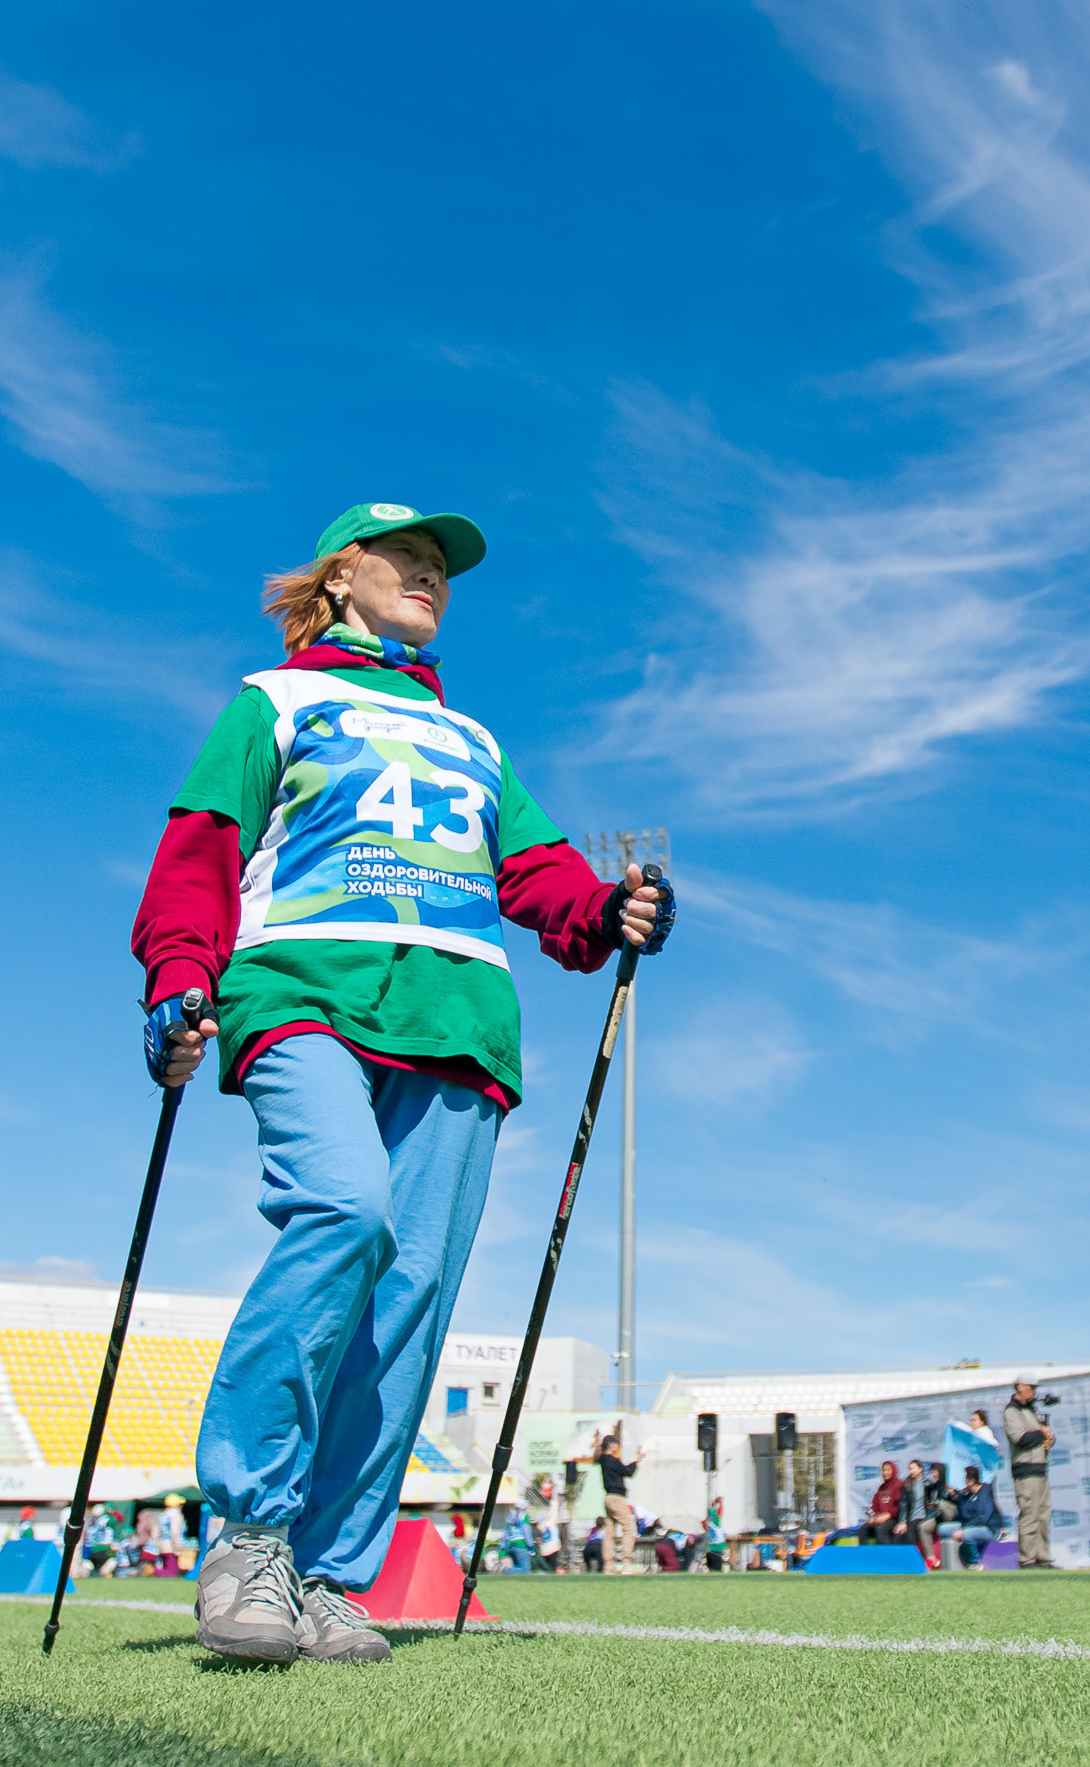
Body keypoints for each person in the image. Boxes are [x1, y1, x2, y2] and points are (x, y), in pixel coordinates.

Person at [131, 501, 674, 1664]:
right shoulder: (272, 701)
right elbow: (199, 853)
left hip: (458, 1023)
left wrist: (606, 913)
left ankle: (328, 1572)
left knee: (413, 1291)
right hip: (300, 994)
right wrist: (180, 978)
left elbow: (541, 877)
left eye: (443, 565)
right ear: (341, 576)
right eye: (408, 557)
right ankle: (248, 1533)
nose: (432, 574)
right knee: (344, 1207)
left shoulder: (474, 740)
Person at [1004, 1380, 1055, 1568]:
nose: (1034, 1392)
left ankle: (1043, 1558)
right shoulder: (1011, 1411)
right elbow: (1021, 1439)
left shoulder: (1031, 1410)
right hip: (1025, 1472)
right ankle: (1027, 1560)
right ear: (1020, 1387)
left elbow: (1039, 1435)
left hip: (1040, 1470)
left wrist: (1049, 1440)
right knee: (1030, 1515)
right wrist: (1042, 1434)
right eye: (1031, 1388)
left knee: (1043, 1516)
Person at [592, 1432, 645, 1574]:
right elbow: (627, 1472)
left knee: (609, 1531)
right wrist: (636, 1461)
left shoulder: (603, 1460)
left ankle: (608, 1565)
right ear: (612, 1445)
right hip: (616, 1497)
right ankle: (626, 1563)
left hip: (607, 1497)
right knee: (628, 1528)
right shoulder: (612, 1460)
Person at [956, 1465, 1004, 1569]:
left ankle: (976, 1563)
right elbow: (962, 1514)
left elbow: (983, 1518)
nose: (964, 1482)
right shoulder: (966, 1495)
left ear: (971, 1481)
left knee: (967, 1534)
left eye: (965, 1479)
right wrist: (959, 1497)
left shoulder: (985, 1493)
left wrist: (963, 1529)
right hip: (972, 1526)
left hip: (990, 1529)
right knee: (943, 1529)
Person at [894, 1459, 939, 1563]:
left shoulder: (928, 1483)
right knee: (898, 1535)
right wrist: (902, 1522)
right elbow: (903, 1504)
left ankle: (912, 1562)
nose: (911, 1471)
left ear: (920, 1469)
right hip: (910, 1517)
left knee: (911, 1532)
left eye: (913, 1468)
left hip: (924, 1517)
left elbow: (933, 1501)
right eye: (909, 1469)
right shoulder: (907, 1484)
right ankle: (896, 1562)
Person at [857, 1461, 902, 1544]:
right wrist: (873, 1517)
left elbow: (900, 1505)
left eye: (888, 1470)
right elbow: (875, 1506)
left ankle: (884, 1554)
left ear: (894, 1471)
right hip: (879, 1518)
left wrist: (888, 1515)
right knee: (863, 1529)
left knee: (880, 1528)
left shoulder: (899, 1484)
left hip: (894, 1519)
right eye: (884, 1470)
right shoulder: (881, 1487)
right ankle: (863, 1554)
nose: (886, 1473)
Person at [705, 1496, 727, 1571]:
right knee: (717, 1566)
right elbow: (720, 1512)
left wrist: (716, 1503)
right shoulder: (715, 1522)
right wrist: (720, 1503)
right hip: (718, 1545)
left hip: (711, 1545)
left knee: (711, 1565)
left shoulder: (708, 1522)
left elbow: (717, 1512)